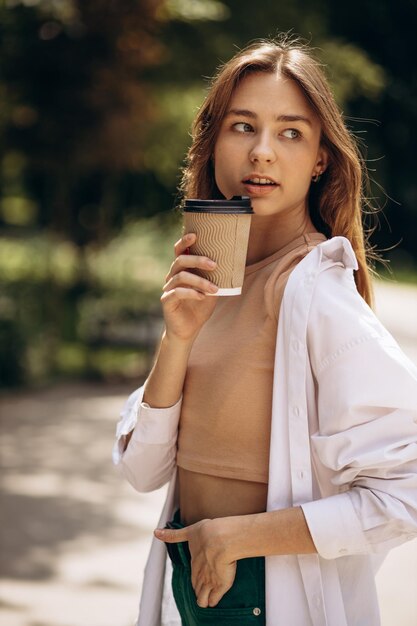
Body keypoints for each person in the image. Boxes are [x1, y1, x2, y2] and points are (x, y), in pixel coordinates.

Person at [113, 35, 417, 626]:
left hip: (262, 597)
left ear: (321, 158)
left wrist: (236, 540)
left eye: (291, 132)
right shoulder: (215, 279)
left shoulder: (315, 290)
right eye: (243, 126)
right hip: (190, 586)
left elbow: (406, 494)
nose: (262, 153)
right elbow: (143, 470)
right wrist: (177, 339)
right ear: (213, 140)